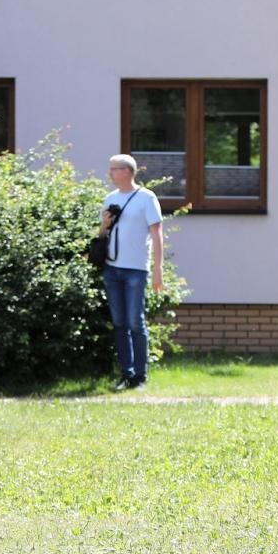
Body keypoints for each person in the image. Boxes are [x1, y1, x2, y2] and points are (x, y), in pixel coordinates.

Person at [99, 154, 164, 390]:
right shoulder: (110, 198)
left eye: (114, 169)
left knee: (136, 322)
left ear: (127, 171)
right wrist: (105, 224)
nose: (110, 173)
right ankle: (126, 374)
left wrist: (158, 269)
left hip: (136, 269)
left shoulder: (146, 198)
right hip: (112, 268)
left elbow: (157, 234)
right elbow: (101, 235)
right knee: (119, 324)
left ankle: (140, 377)